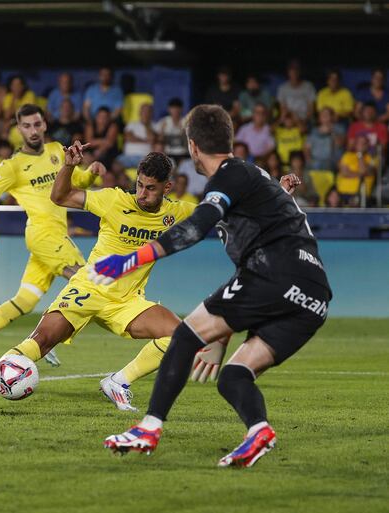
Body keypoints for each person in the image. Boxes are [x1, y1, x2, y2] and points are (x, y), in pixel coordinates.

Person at [94, 104, 331, 468]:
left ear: (192, 147)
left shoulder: (228, 175)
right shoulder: (254, 178)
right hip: (313, 296)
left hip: (276, 274)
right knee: (234, 376)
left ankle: (148, 428)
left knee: (186, 336)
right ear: (230, 138)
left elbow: (196, 226)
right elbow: (266, 239)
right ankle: (258, 431)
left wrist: (130, 260)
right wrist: (220, 335)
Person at [0, 147, 205, 413]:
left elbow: (220, 213)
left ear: (167, 188)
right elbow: (60, 196)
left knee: (181, 336)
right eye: (139, 185)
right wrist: (69, 167)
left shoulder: (177, 212)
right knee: (40, 340)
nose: (141, 194)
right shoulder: (114, 200)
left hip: (127, 301)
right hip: (88, 288)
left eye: (150, 188)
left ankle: (119, 382)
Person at [0, 104, 103, 372]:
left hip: (54, 235)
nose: (32, 130)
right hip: (43, 234)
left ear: (44, 124)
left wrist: (91, 173)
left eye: (37, 124)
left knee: (25, 300)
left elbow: (75, 182)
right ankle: (47, 340)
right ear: (18, 129)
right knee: (87, 282)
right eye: (26, 126)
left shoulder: (57, 150)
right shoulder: (12, 166)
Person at [337, 134, 376, 206]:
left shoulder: (372, 158)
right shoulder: (347, 156)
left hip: (363, 196)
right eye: (359, 143)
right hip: (343, 193)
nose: (361, 145)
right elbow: (344, 173)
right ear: (355, 144)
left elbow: (363, 171)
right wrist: (361, 175)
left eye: (363, 143)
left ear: (367, 145)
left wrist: (360, 155)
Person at [305, 107, 345, 172]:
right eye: (322, 114)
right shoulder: (314, 131)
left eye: (327, 114)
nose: (324, 116)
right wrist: (309, 160)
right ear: (319, 118)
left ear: (332, 117)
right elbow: (307, 148)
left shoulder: (339, 128)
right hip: (315, 161)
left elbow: (339, 144)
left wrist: (331, 131)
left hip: (331, 161)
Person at [119, 103, 156, 168]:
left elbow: (152, 139)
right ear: (139, 112)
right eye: (144, 111)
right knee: (115, 165)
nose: (145, 113)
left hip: (146, 158)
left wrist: (146, 125)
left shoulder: (155, 125)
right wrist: (145, 141)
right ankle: (126, 178)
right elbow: (128, 138)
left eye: (148, 111)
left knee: (146, 169)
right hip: (128, 157)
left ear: (151, 113)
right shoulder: (132, 124)